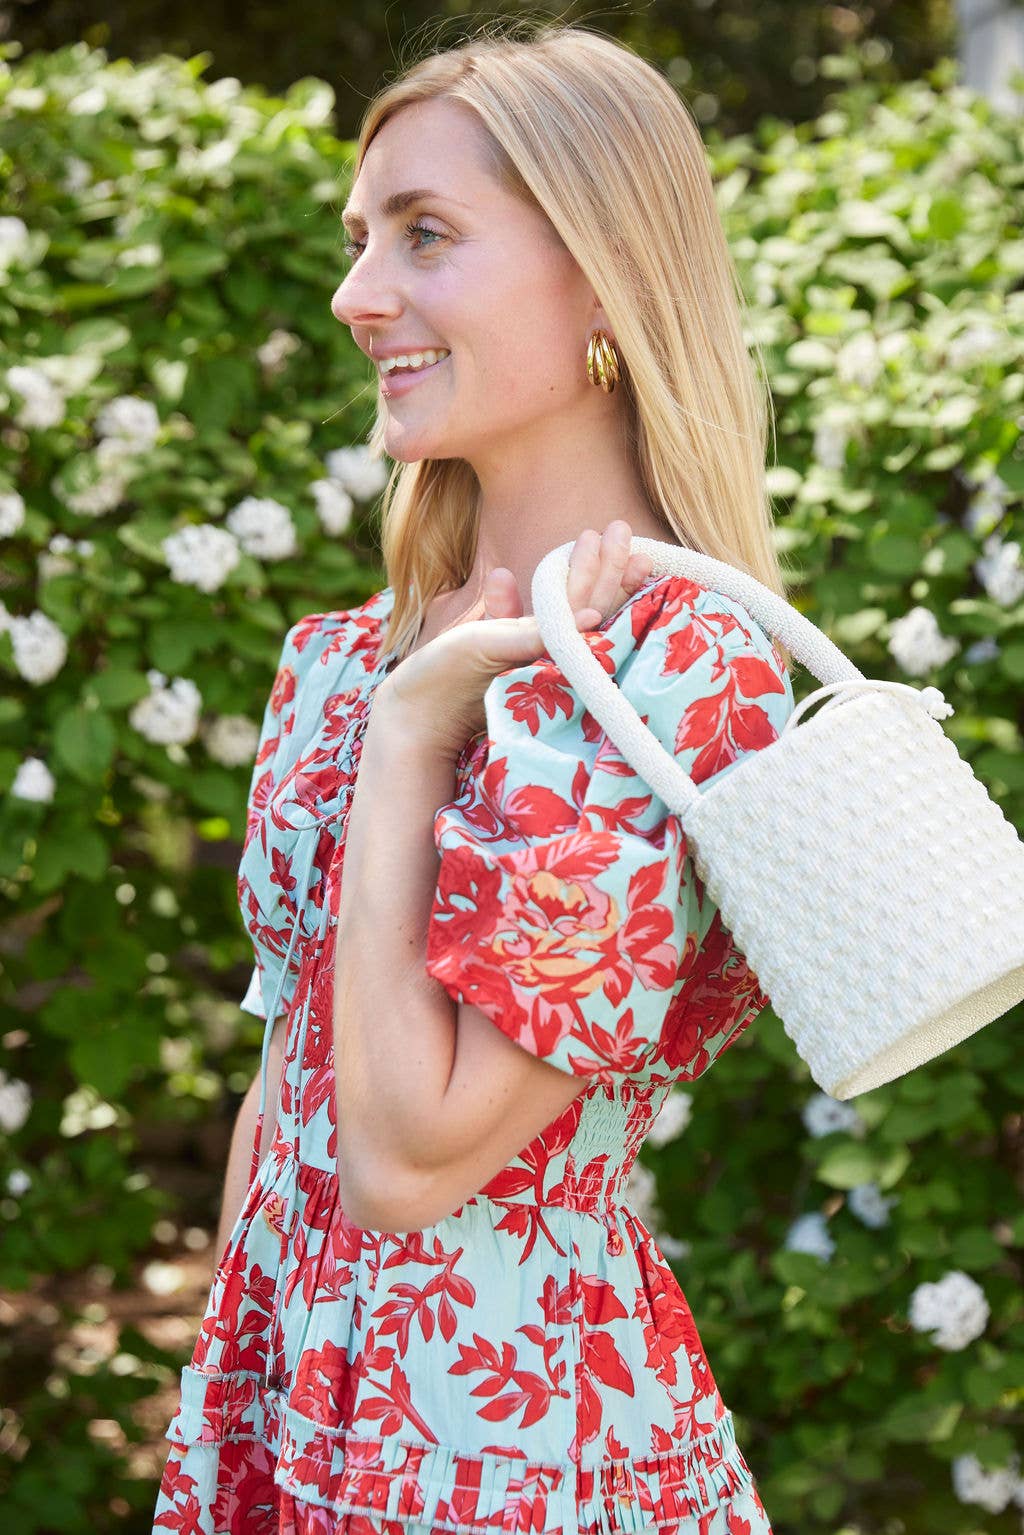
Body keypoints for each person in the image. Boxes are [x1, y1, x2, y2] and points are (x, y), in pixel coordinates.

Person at [152, 20, 799, 1535]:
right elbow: (283, 1100)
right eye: (361, 237)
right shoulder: (341, 654)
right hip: (276, 1403)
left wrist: (409, 743)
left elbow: (409, 1161)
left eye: (425, 236)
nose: (356, 292)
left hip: (502, 1449)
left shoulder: (677, 672)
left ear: (601, 278)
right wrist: (221, 1418)